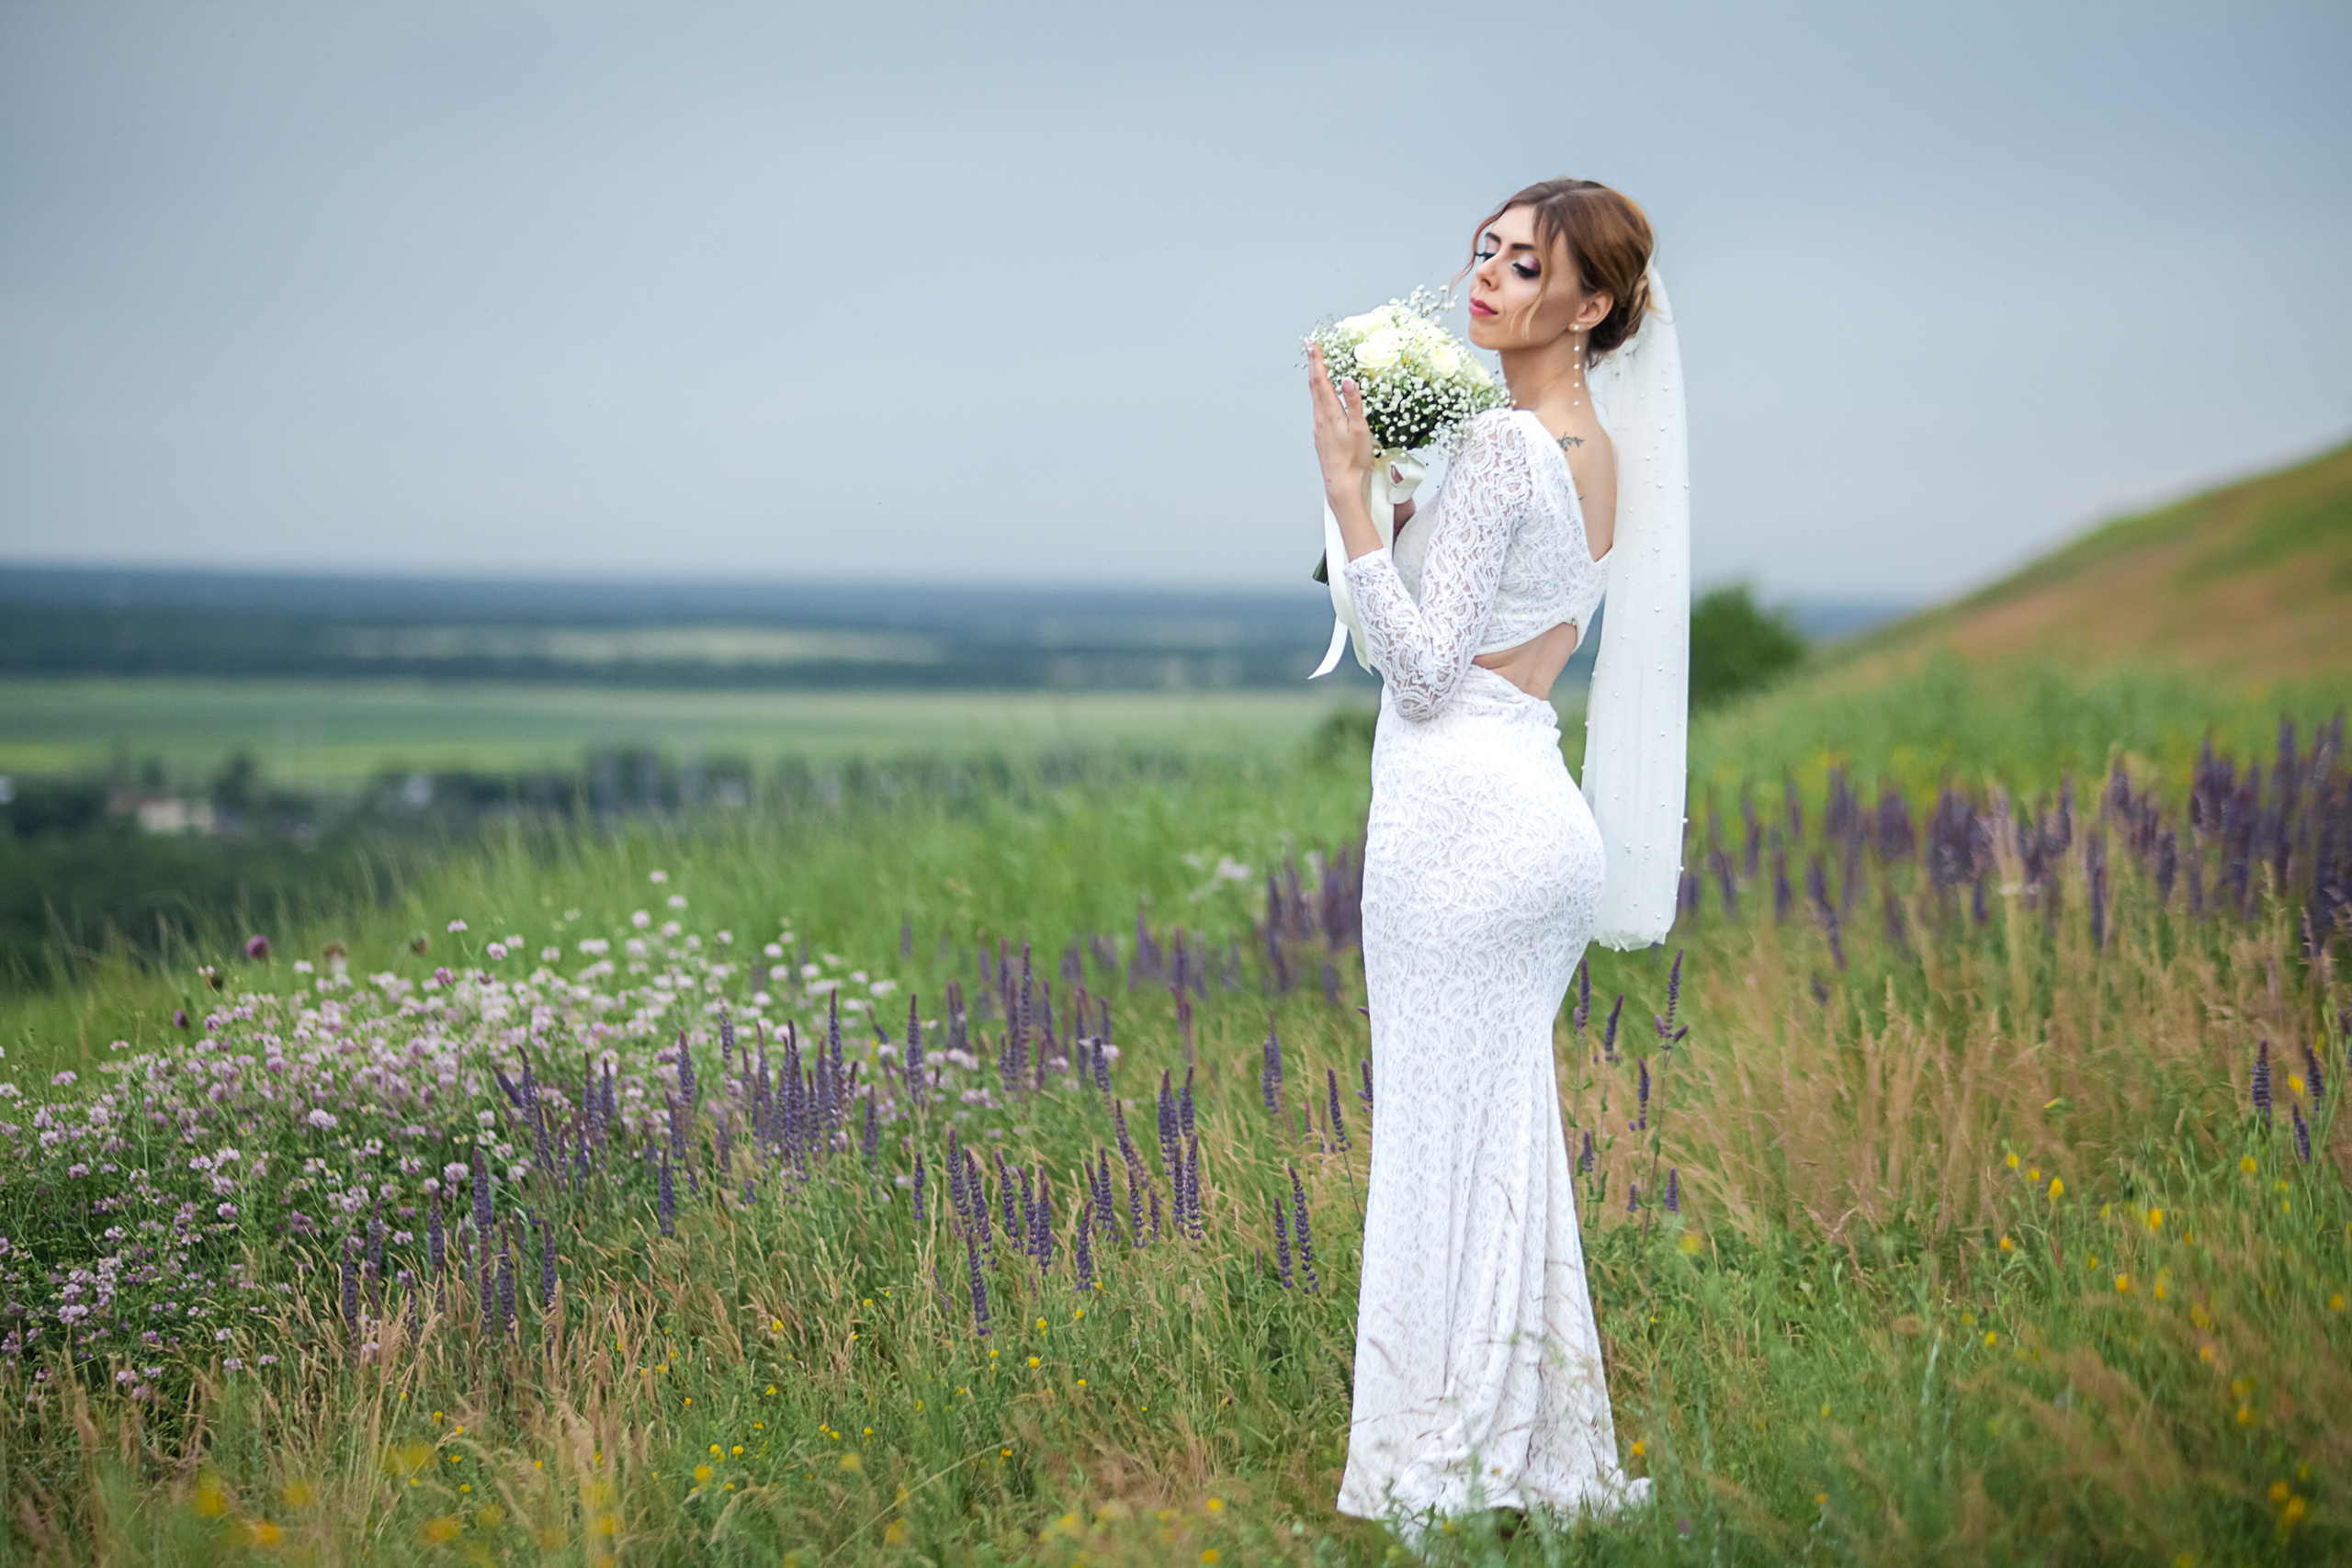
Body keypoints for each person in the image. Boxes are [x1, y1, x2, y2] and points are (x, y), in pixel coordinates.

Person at [1305, 176, 1690, 1540]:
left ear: (1589, 306)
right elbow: (1514, 623)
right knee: (1498, 1141)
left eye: (1526, 267)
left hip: (1462, 814)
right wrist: (1412, 511)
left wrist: (1354, 505)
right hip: (1536, 808)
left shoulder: (1506, 449)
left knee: (1436, 1142)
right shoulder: (1593, 449)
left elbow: (1415, 674)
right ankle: (1528, 1448)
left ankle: (1444, 1459)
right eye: (1485, 251)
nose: (1487, 278)